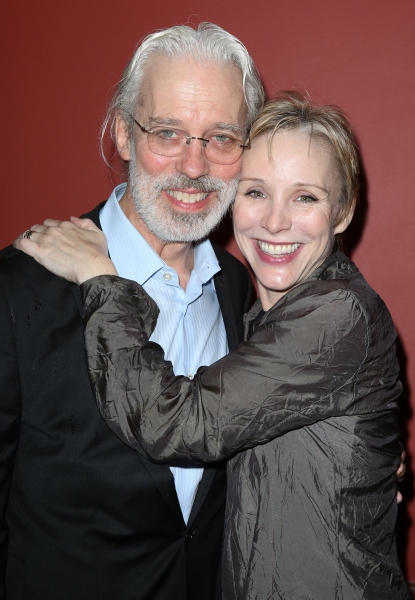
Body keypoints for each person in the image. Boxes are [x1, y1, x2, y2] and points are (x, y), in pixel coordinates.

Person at [16, 92, 410, 599]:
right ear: (229, 199)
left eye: (305, 197)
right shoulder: (246, 305)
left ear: (343, 212)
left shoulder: (336, 313)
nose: (274, 221)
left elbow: (174, 423)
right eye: (255, 192)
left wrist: (98, 275)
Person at [0, 23, 264, 600]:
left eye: (221, 138)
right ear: (121, 132)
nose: (194, 167)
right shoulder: (18, 293)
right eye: (168, 132)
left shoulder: (244, 292)